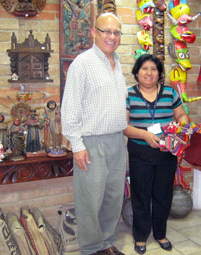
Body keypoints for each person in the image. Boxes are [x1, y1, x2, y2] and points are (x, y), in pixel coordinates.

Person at [61, 13, 127, 255]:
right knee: (90, 200)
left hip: (117, 142)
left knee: (113, 197)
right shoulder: (83, 63)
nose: (111, 37)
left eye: (116, 32)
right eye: (106, 31)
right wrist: (77, 145)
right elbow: (69, 108)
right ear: (93, 32)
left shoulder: (117, 62)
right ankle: (90, 249)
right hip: (91, 143)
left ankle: (107, 243)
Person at [123, 54, 189, 254]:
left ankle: (160, 233)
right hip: (139, 151)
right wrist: (144, 135)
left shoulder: (170, 93)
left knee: (163, 194)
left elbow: (182, 115)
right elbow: (123, 126)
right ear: (137, 72)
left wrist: (182, 127)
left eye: (153, 69)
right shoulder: (128, 94)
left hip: (166, 151)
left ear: (159, 73)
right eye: (144, 68)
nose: (149, 73)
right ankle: (141, 236)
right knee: (141, 195)